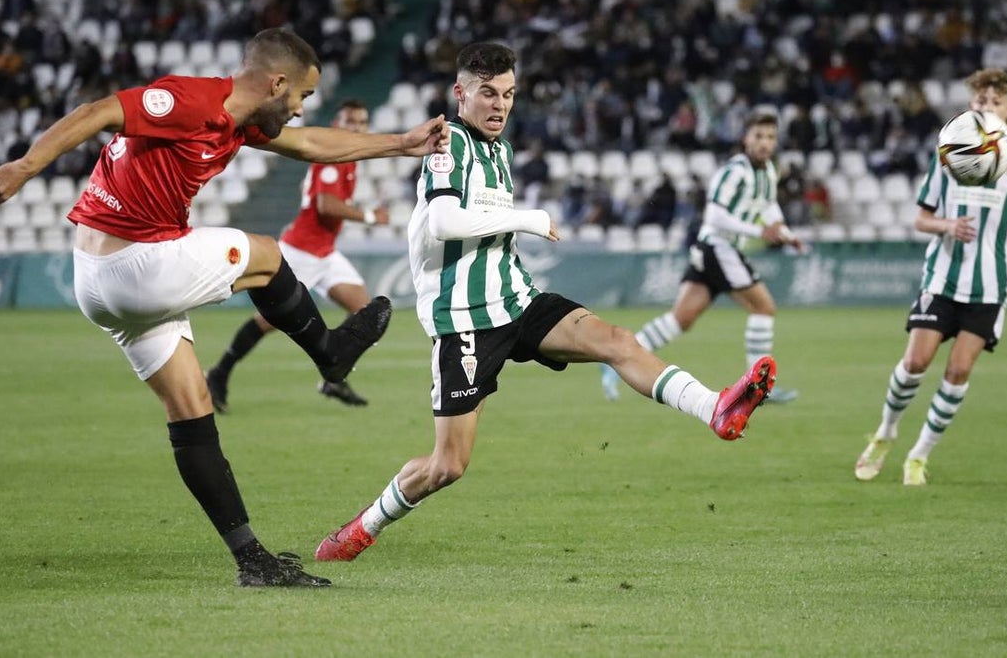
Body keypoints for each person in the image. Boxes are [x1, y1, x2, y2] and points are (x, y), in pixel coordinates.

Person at [0, 28, 449, 587]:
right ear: (277, 83)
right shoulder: (193, 101)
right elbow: (99, 110)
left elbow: (313, 145)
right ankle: (332, 353)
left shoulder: (239, 122)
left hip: (102, 282)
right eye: (301, 97)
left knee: (192, 407)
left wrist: (401, 142)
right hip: (132, 264)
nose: (298, 110)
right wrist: (26, 167)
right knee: (266, 254)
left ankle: (253, 561)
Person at [312, 42, 778, 564]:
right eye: (487, 93)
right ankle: (360, 528)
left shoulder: (500, 151)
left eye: (508, 94)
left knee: (617, 341)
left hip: (517, 298)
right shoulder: (447, 144)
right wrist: (526, 218)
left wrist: (519, 224)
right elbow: (444, 223)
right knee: (448, 465)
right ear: (460, 93)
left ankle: (714, 407)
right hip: (464, 318)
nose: (500, 105)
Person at [854, 68, 1007, 486]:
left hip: (990, 286)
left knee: (958, 371)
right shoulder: (949, 151)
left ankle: (918, 456)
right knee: (915, 362)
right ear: (971, 106)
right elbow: (921, 219)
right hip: (942, 278)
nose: (986, 106)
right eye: (980, 100)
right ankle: (885, 433)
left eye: (995, 101)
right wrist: (948, 226)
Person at [600, 110, 804, 403]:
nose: (764, 143)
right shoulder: (735, 171)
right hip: (718, 247)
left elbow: (768, 206)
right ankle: (757, 390)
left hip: (713, 251)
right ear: (746, 138)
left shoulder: (768, 171)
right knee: (764, 308)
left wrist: (785, 233)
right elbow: (715, 215)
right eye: (758, 136)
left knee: (682, 318)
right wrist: (759, 232)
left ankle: (614, 359)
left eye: (770, 137)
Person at [205, 99, 391, 411]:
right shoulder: (333, 158)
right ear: (336, 125)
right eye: (350, 122)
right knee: (268, 321)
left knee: (364, 310)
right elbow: (325, 206)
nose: (356, 128)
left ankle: (333, 379)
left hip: (325, 253)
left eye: (361, 123)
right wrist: (371, 217)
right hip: (301, 252)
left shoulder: (347, 158)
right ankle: (218, 373)